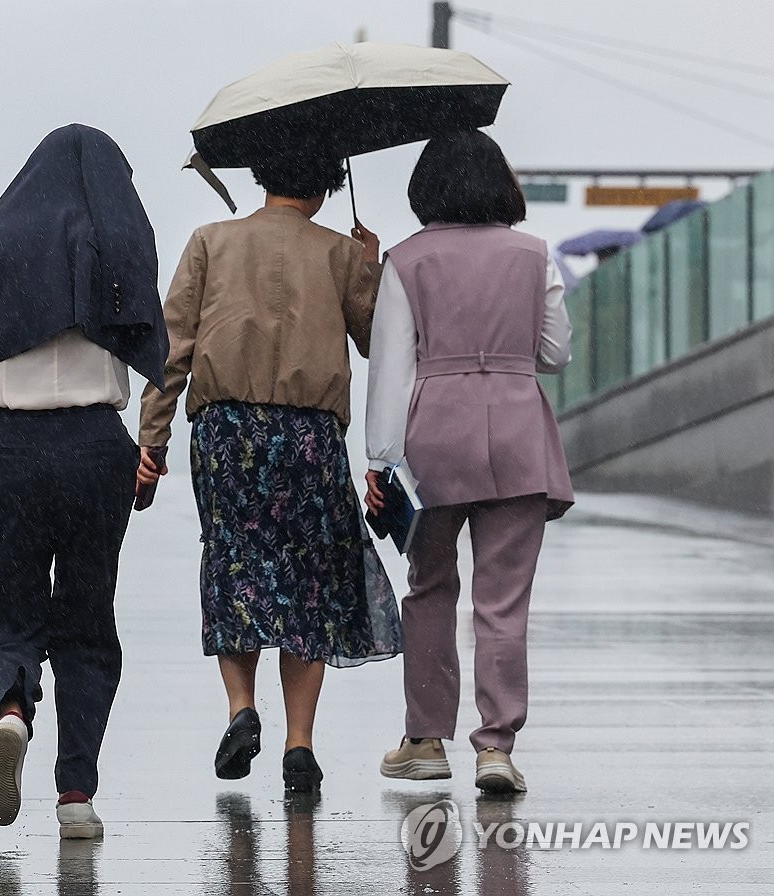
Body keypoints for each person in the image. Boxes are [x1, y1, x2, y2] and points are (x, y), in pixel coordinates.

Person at [0, 124, 167, 838]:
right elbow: (151, 342)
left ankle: (11, 709)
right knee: (88, 617)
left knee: (9, 600)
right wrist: (141, 452)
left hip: (9, 447)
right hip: (95, 445)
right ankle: (77, 795)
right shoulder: (119, 243)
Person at [137, 151, 384, 795]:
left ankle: (241, 707)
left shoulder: (210, 242)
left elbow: (174, 349)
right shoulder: (339, 253)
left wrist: (152, 441)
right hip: (309, 434)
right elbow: (375, 338)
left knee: (235, 560)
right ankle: (300, 745)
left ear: (262, 177)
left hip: (227, 432)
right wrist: (369, 268)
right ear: (328, 191)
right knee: (311, 576)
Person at [364, 129, 574, 794]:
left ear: (426, 187)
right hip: (517, 430)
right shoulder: (533, 255)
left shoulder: (406, 260)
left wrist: (379, 460)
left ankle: (425, 739)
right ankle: (496, 747)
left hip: (435, 437)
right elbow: (555, 352)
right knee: (503, 601)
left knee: (429, 587)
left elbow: (392, 369)